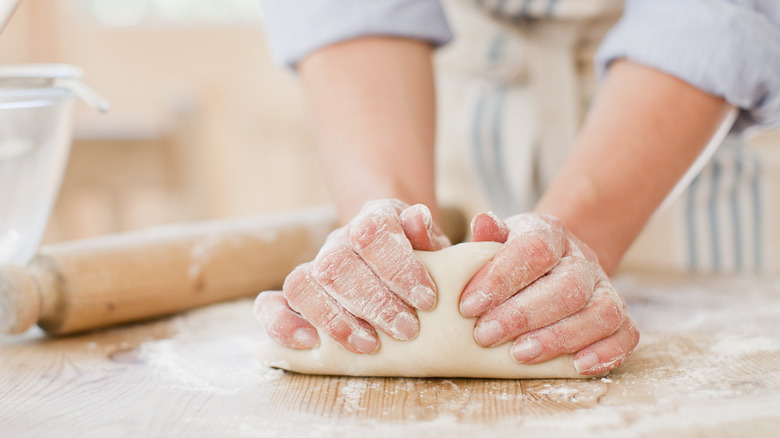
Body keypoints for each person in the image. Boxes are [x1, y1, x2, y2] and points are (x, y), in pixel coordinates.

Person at [254, 0, 780, 375]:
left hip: (681, 126)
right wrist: (380, 226)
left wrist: (573, 249)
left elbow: (713, 16)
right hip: (451, 105)